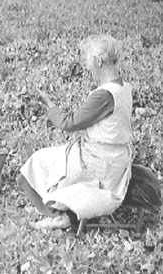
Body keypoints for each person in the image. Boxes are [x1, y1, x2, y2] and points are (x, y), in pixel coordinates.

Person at [17, 34, 133, 229]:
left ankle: (57, 215)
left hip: (97, 163)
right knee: (49, 160)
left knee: (30, 168)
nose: (88, 69)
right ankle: (56, 209)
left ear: (98, 61)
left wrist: (47, 103)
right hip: (111, 160)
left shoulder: (104, 95)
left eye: (89, 63)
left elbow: (69, 124)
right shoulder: (123, 87)